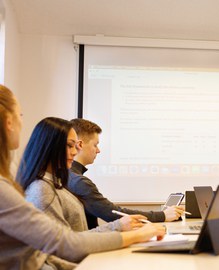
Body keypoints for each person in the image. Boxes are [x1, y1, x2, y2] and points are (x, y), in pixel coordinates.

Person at [0, 85, 164, 270]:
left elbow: (69, 239)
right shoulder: (38, 190)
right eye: (20, 115)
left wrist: (118, 227)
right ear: (8, 122)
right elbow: (64, 245)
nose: (76, 151)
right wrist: (134, 235)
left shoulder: (48, 185)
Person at [17, 117, 148, 233]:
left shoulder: (54, 183)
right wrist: (118, 227)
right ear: (49, 146)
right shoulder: (41, 190)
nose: (75, 152)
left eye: (76, 146)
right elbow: (65, 244)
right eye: (69, 146)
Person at [67, 118, 183, 229]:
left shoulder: (69, 176)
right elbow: (112, 213)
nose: (98, 150)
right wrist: (163, 215)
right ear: (80, 145)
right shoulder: (78, 181)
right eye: (95, 145)